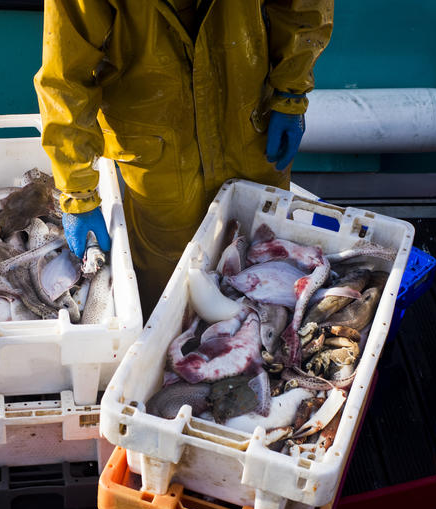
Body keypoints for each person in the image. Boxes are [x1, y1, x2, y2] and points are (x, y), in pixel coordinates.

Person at [34, 0, 334, 312]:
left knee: (269, 262)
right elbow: (65, 78)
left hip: (249, 127)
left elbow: (303, 8)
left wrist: (291, 92)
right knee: (168, 296)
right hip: (158, 156)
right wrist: (78, 190)